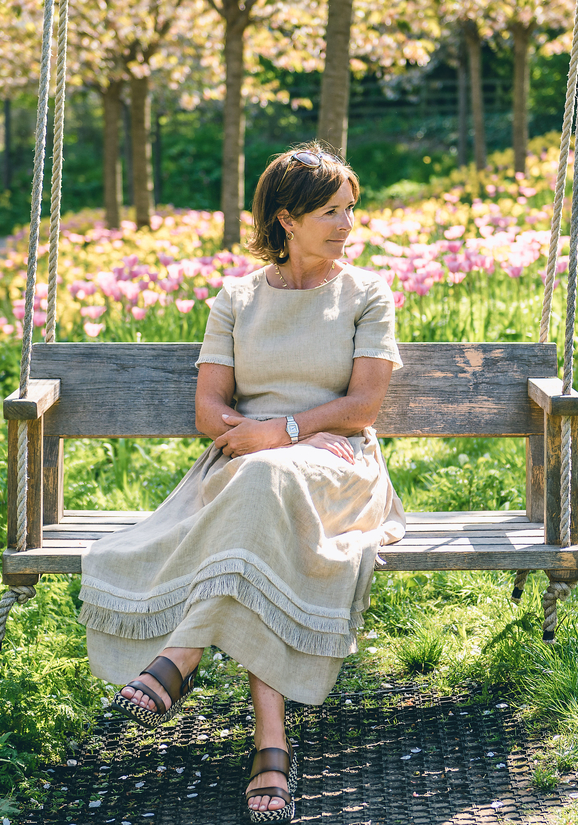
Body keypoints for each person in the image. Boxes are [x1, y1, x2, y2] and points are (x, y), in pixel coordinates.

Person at [79, 143, 406, 823]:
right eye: (330, 211)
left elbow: (363, 406)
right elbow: (210, 409)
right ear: (287, 218)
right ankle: (269, 746)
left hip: (338, 470)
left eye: (351, 208)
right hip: (248, 471)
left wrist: (279, 431)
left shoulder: (367, 293)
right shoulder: (237, 298)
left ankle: (181, 655)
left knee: (262, 482)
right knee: (259, 495)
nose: (348, 223)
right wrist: (269, 438)